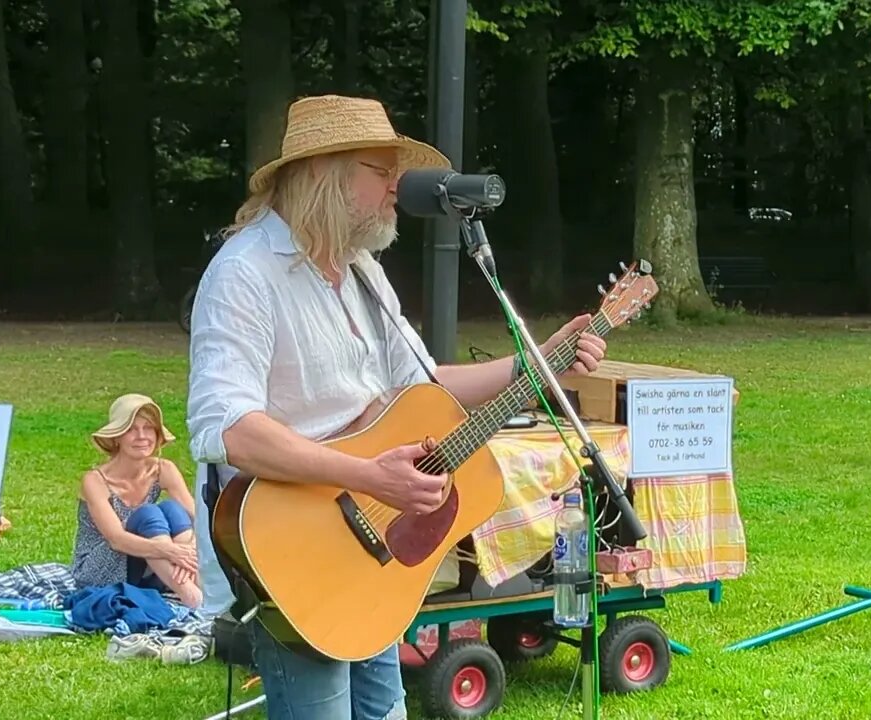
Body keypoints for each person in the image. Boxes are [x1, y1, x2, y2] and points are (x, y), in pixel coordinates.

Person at [186, 94, 608, 720]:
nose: (397, 189)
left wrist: (537, 361)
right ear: (327, 175)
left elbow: (425, 384)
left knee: (385, 712)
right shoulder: (244, 274)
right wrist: (368, 474)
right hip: (290, 549)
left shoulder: (361, 270)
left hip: (372, 544)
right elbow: (231, 430)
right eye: (383, 172)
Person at [72, 393, 202, 608]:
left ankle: (193, 584)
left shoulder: (164, 469)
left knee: (171, 508)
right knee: (147, 514)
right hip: (100, 571)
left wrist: (186, 552)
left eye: (148, 428)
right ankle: (191, 595)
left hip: (150, 566)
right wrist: (171, 551)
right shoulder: (95, 481)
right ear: (117, 437)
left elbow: (200, 520)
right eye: (131, 429)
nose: (142, 436)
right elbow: (117, 540)